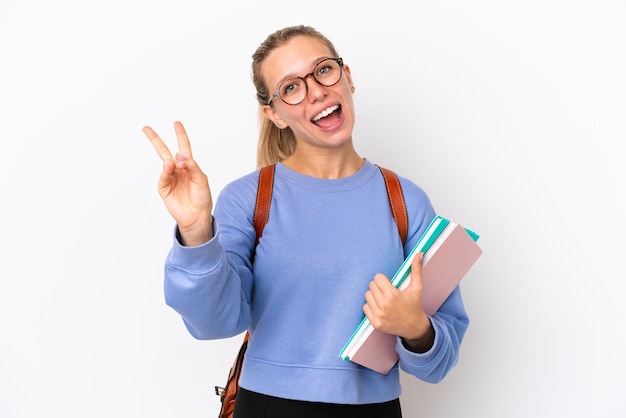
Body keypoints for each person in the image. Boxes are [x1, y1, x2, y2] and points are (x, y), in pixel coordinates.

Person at [143, 25, 469, 418]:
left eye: (324, 71)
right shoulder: (249, 198)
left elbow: (441, 360)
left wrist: (416, 327)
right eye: (291, 87)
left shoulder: (406, 201)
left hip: (375, 409)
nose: (316, 90)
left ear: (347, 77)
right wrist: (196, 232)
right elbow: (214, 322)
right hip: (267, 409)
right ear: (274, 114)